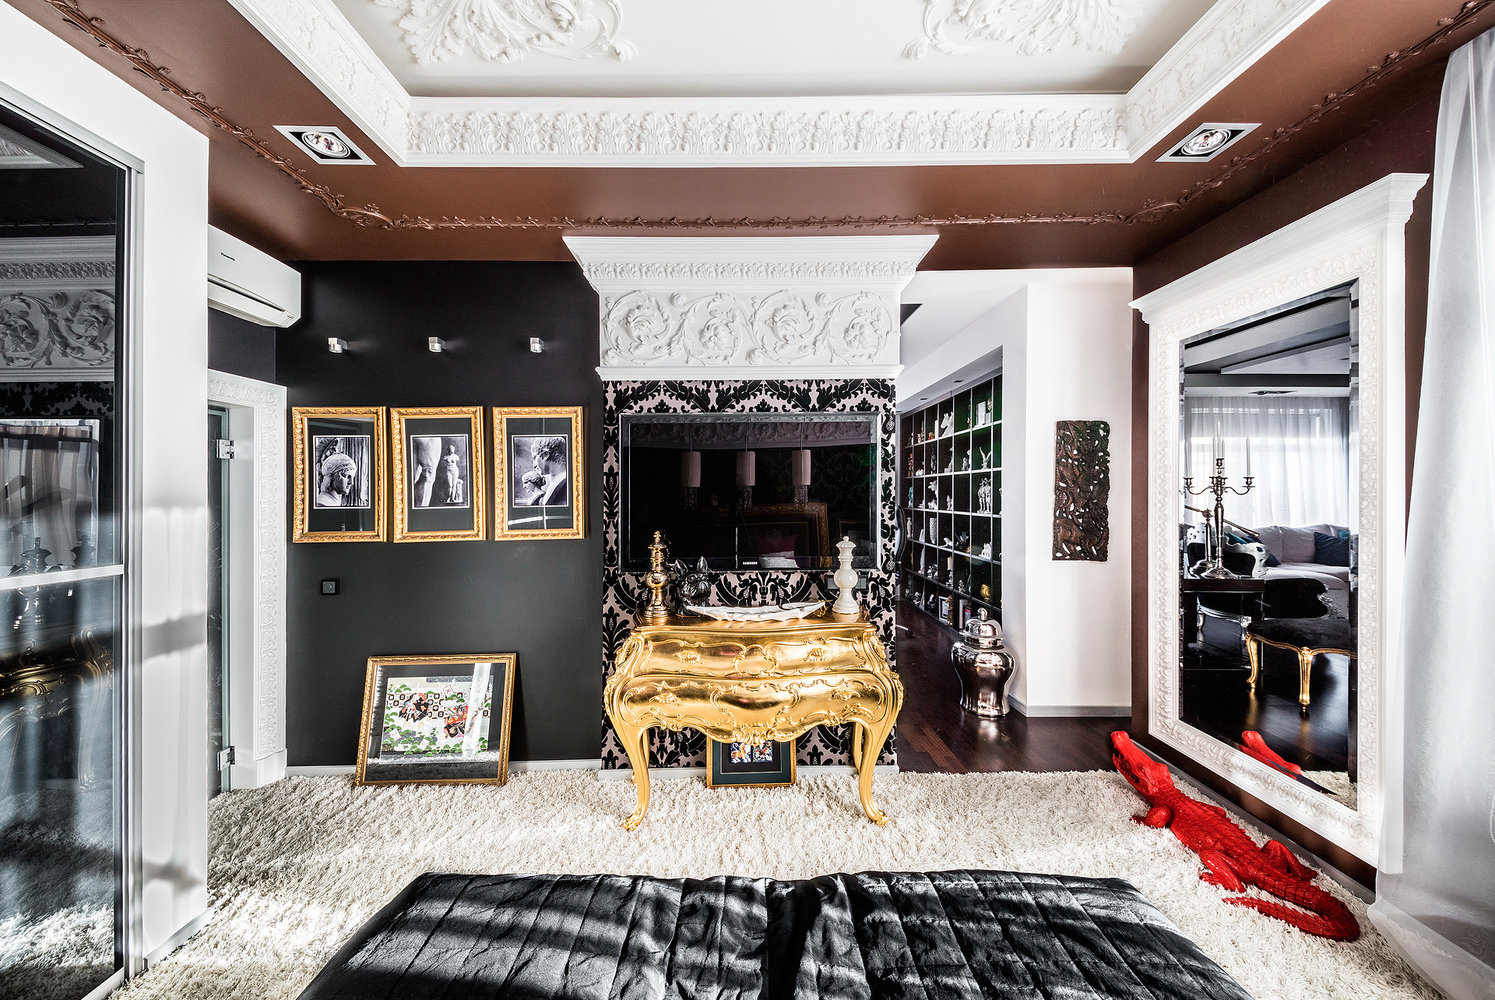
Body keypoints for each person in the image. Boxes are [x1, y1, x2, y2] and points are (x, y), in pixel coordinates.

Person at [520, 436, 568, 506]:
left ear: (545, 455)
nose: (534, 466)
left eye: (534, 458)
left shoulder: (564, 483)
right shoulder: (556, 482)